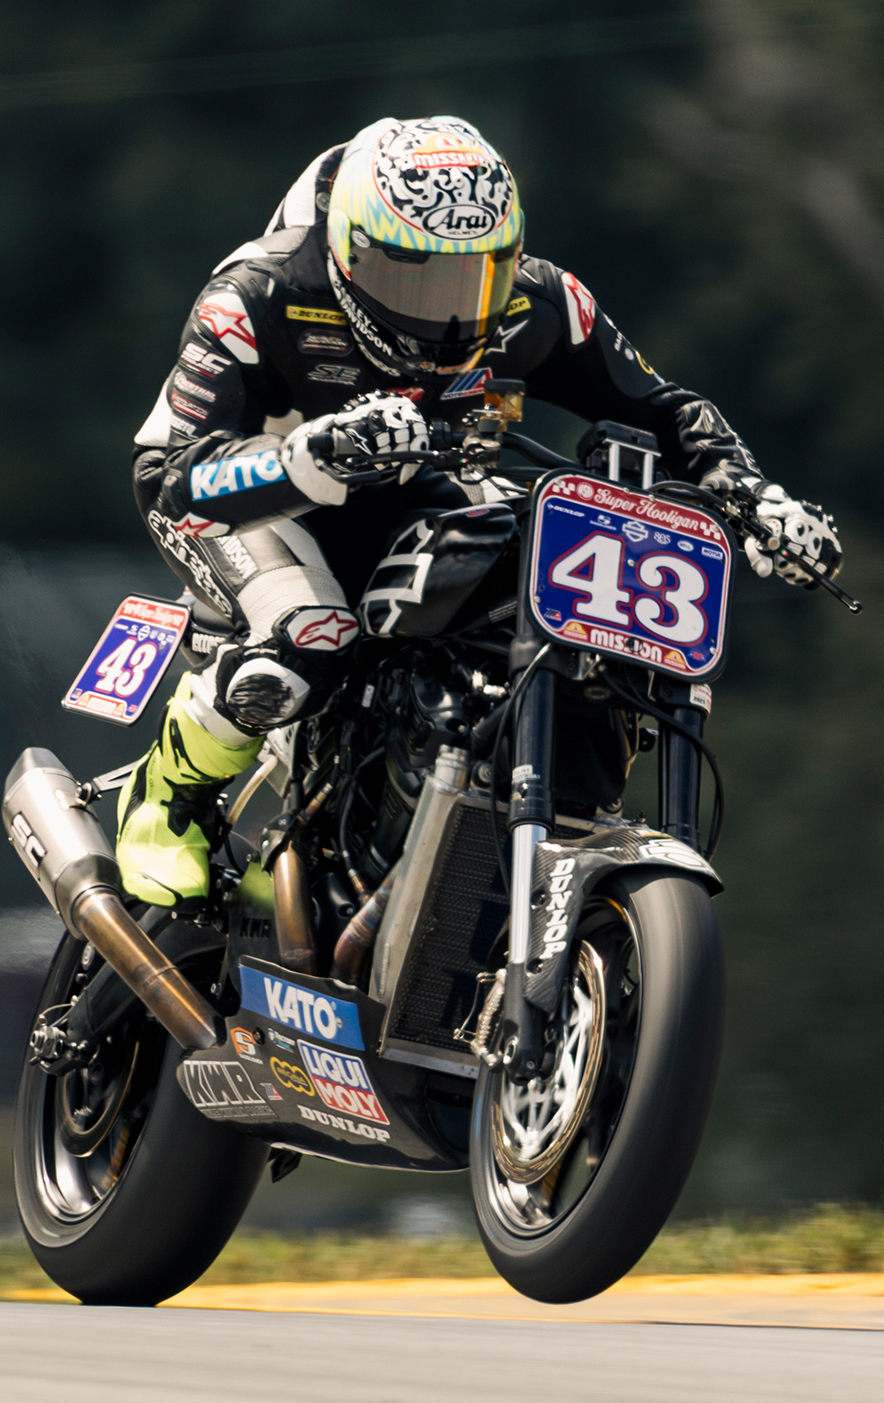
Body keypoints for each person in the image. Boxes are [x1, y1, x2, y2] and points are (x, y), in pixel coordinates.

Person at [119, 115, 841, 907]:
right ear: (348, 250)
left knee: (528, 586)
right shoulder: (257, 294)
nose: (448, 316)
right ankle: (164, 802)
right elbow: (174, 477)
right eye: (413, 281)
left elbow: (661, 407)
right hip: (252, 502)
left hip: (419, 485)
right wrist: (308, 457)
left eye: (473, 282)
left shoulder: (541, 300)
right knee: (307, 637)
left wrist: (750, 494)